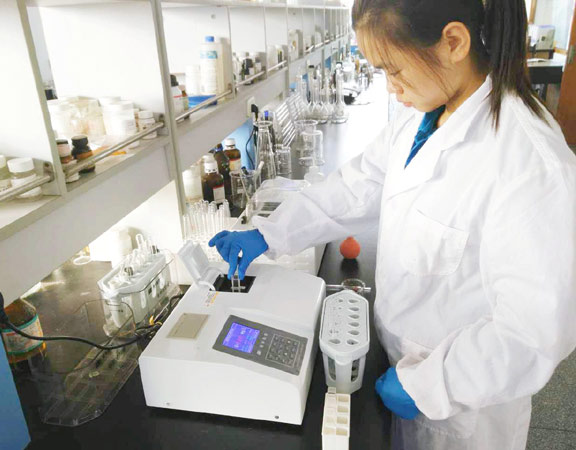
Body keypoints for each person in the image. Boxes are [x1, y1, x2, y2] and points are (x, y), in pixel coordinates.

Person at [209, 0, 576, 448]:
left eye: (394, 70)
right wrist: (270, 232)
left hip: (461, 408)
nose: (390, 87)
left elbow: (532, 333)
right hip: (396, 362)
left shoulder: (530, 164)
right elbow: (357, 185)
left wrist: (432, 385)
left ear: (453, 42)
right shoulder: (423, 112)